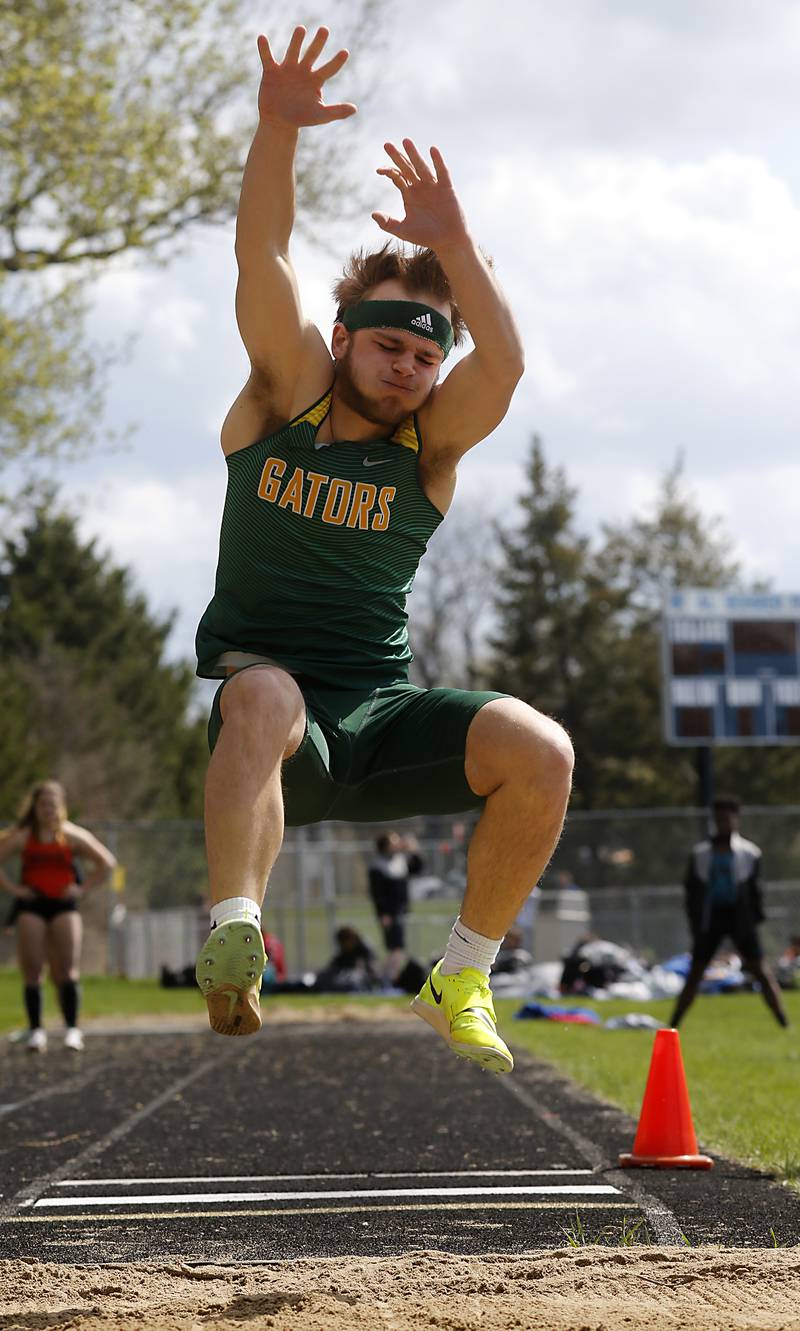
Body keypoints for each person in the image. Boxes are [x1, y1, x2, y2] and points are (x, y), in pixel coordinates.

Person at [193, 24, 574, 1073]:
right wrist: (275, 127)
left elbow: (505, 360)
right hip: (274, 726)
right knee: (263, 692)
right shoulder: (280, 395)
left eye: (422, 353)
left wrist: (454, 242)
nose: (405, 367)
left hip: (382, 710)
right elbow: (259, 252)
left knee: (542, 751)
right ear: (344, 333)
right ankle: (235, 928)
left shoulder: (430, 448)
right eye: (387, 343)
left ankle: (460, 973)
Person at [0, 780, 117, 1051]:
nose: (48, 810)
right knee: (32, 970)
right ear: (35, 807)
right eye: (43, 804)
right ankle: (36, 1030)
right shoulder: (23, 836)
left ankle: (72, 1029)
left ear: (61, 807)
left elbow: (107, 862)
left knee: (66, 970)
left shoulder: (71, 835)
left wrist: (81, 888)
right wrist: (16, 890)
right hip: (33, 905)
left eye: (53, 805)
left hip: (63, 906)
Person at [669, 794, 789, 1029]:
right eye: (719, 819)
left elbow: (756, 892)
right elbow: (692, 893)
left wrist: (753, 922)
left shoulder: (749, 853)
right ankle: (674, 1023)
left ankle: (783, 1022)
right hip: (711, 918)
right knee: (696, 972)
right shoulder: (702, 854)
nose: (723, 823)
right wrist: (696, 924)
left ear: (736, 820)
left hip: (739, 919)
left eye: (727, 818)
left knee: (761, 971)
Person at [368, 831, 422, 970]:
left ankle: (388, 979)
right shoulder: (378, 866)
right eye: (394, 842)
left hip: (401, 911)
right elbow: (377, 893)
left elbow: (417, 868)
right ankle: (386, 980)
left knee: (398, 949)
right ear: (385, 846)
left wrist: (414, 851)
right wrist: (383, 914)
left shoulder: (400, 860)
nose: (398, 844)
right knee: (396, 949)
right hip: (390, 914)